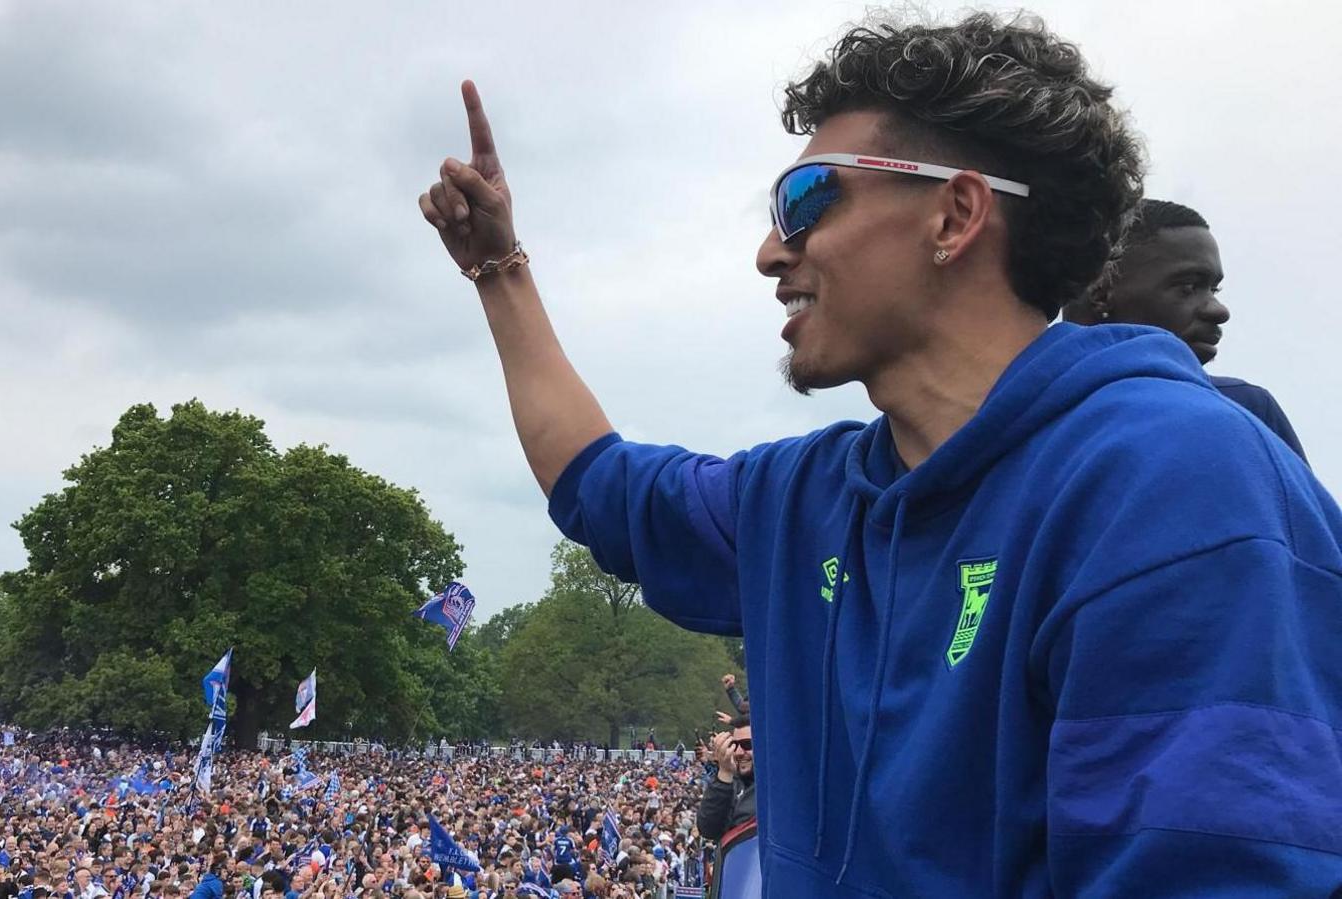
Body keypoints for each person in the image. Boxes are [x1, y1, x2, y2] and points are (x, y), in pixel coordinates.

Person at [418, 11, 1342, 897]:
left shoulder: (1177, 486)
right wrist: (498, 271)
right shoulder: (804, 497)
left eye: (807, 198)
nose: (770, 251)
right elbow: (600, 483)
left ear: (956, 215)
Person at [1063, 198, 1307, 460]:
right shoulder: (1027, 417)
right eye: (1188, 287)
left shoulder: (1248, 410)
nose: (1219, 311)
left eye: (1213, 289)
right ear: (1101, 293)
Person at [695, 717, 755, 842]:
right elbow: (708, 829)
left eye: (747, 744)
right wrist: (725, 772)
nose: (738, 752)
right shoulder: (732, 781)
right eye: (734, 745)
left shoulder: (778, 785)